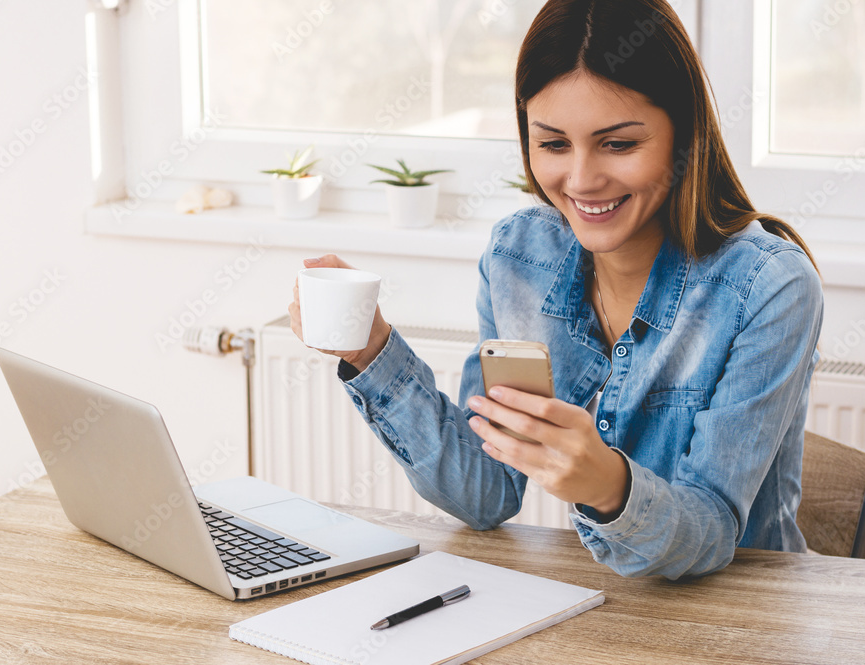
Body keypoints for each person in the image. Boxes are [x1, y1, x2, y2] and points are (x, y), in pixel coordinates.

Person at [288, 0, 823, 579]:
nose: (582, 180)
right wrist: (370, 351)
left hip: (742, 616)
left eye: (618, 144)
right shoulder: (519, 256)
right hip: (603, 610)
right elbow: (485, 491)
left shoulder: (769, 286)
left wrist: (608, 486)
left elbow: (711, 534)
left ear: (683, 136)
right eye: (553, 144)